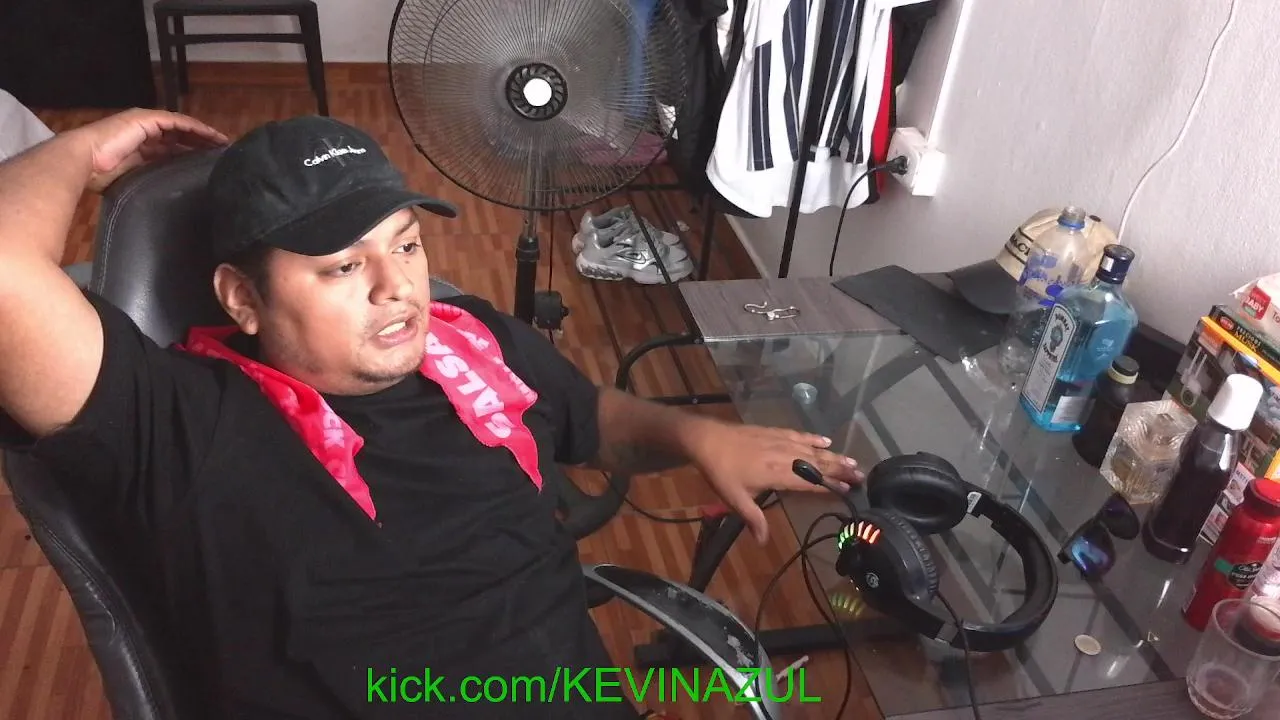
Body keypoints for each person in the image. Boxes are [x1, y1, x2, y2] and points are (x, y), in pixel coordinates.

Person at [0, 109, 863, 719]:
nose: (398, 288)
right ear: (242, 298)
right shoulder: (179, 419)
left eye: (406, 244)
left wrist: (696, 434)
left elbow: (592, 418)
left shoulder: (473, 340)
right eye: (343, 267)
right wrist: (80, 150)